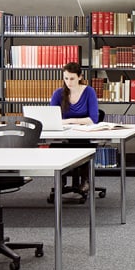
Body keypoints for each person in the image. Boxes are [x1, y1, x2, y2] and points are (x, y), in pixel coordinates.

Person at [49, 62, 100, 197]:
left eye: (71, 78)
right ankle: (60, 180)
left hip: (83, 135)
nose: (68, 82)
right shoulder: (58, 94)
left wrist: (70, 120)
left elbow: (93, 119)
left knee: (82, 145)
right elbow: (52, 118)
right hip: (64, 135)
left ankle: (85, 180)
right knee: (55, 146)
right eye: (66, 78)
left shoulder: (89, 92)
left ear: (79, 77)